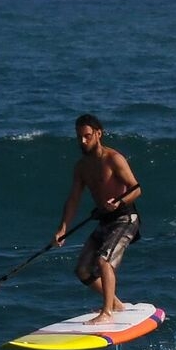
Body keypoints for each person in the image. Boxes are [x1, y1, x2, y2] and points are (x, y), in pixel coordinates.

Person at [54, 113, 142, 323]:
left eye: (87, 136)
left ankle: (107, 313)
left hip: (125, 217)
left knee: (104, 261)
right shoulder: (82, 167)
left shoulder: (113, 159)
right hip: (105, 220)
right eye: (79, 137)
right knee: (83, 270)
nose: (83, 141)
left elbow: (137, 188)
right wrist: (63, 229)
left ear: (98, 134)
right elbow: (73, 199)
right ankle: (116, 304)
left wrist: (119, 202)